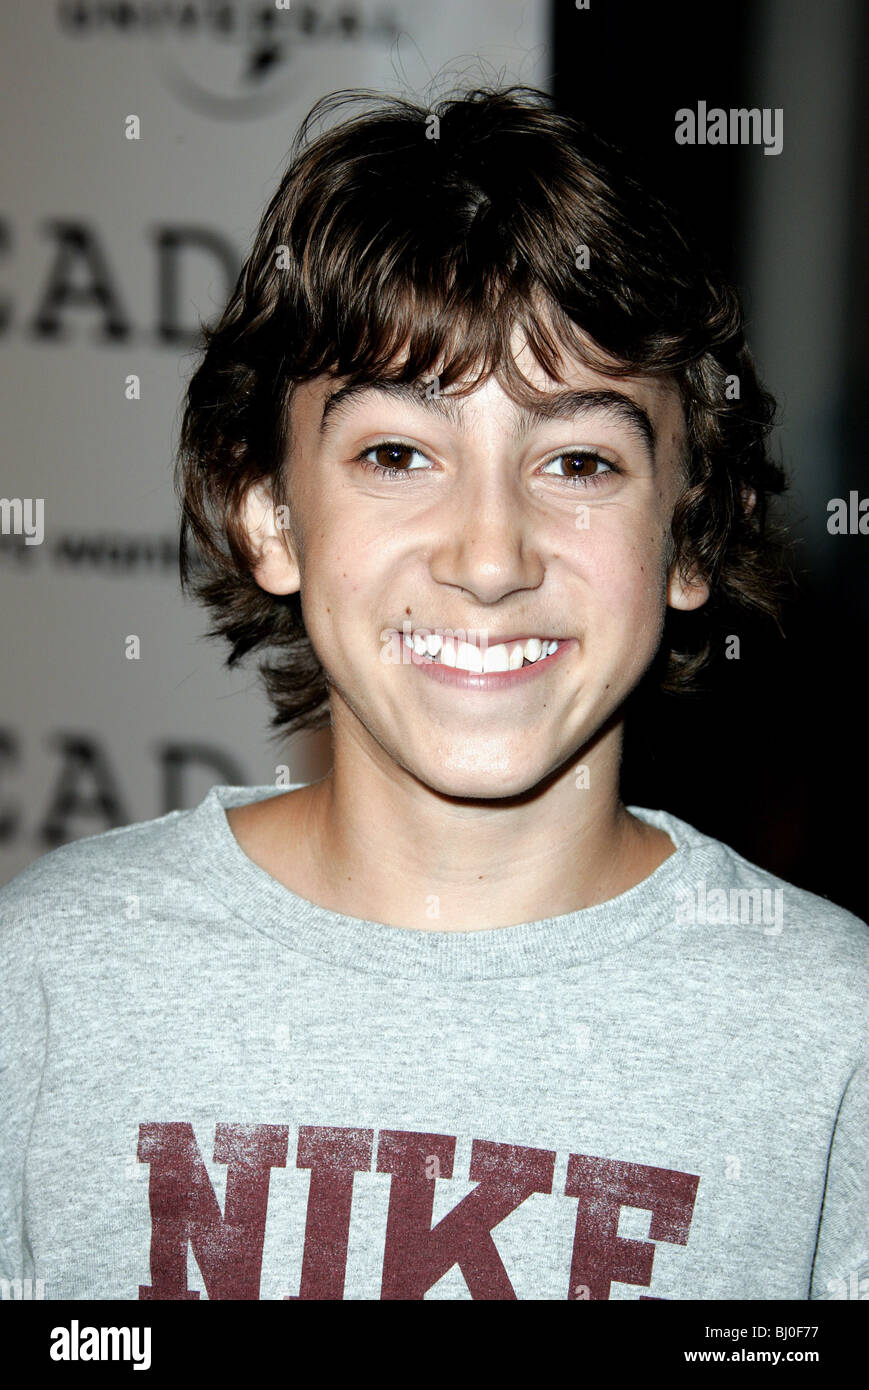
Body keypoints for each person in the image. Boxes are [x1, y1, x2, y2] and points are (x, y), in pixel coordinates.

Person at [1, 84, 866, 1302]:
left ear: (689, 537)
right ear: (267, 513)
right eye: (396, 454)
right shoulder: (48, 981)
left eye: (578, 461)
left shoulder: (836, 1040)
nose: (489, 555)